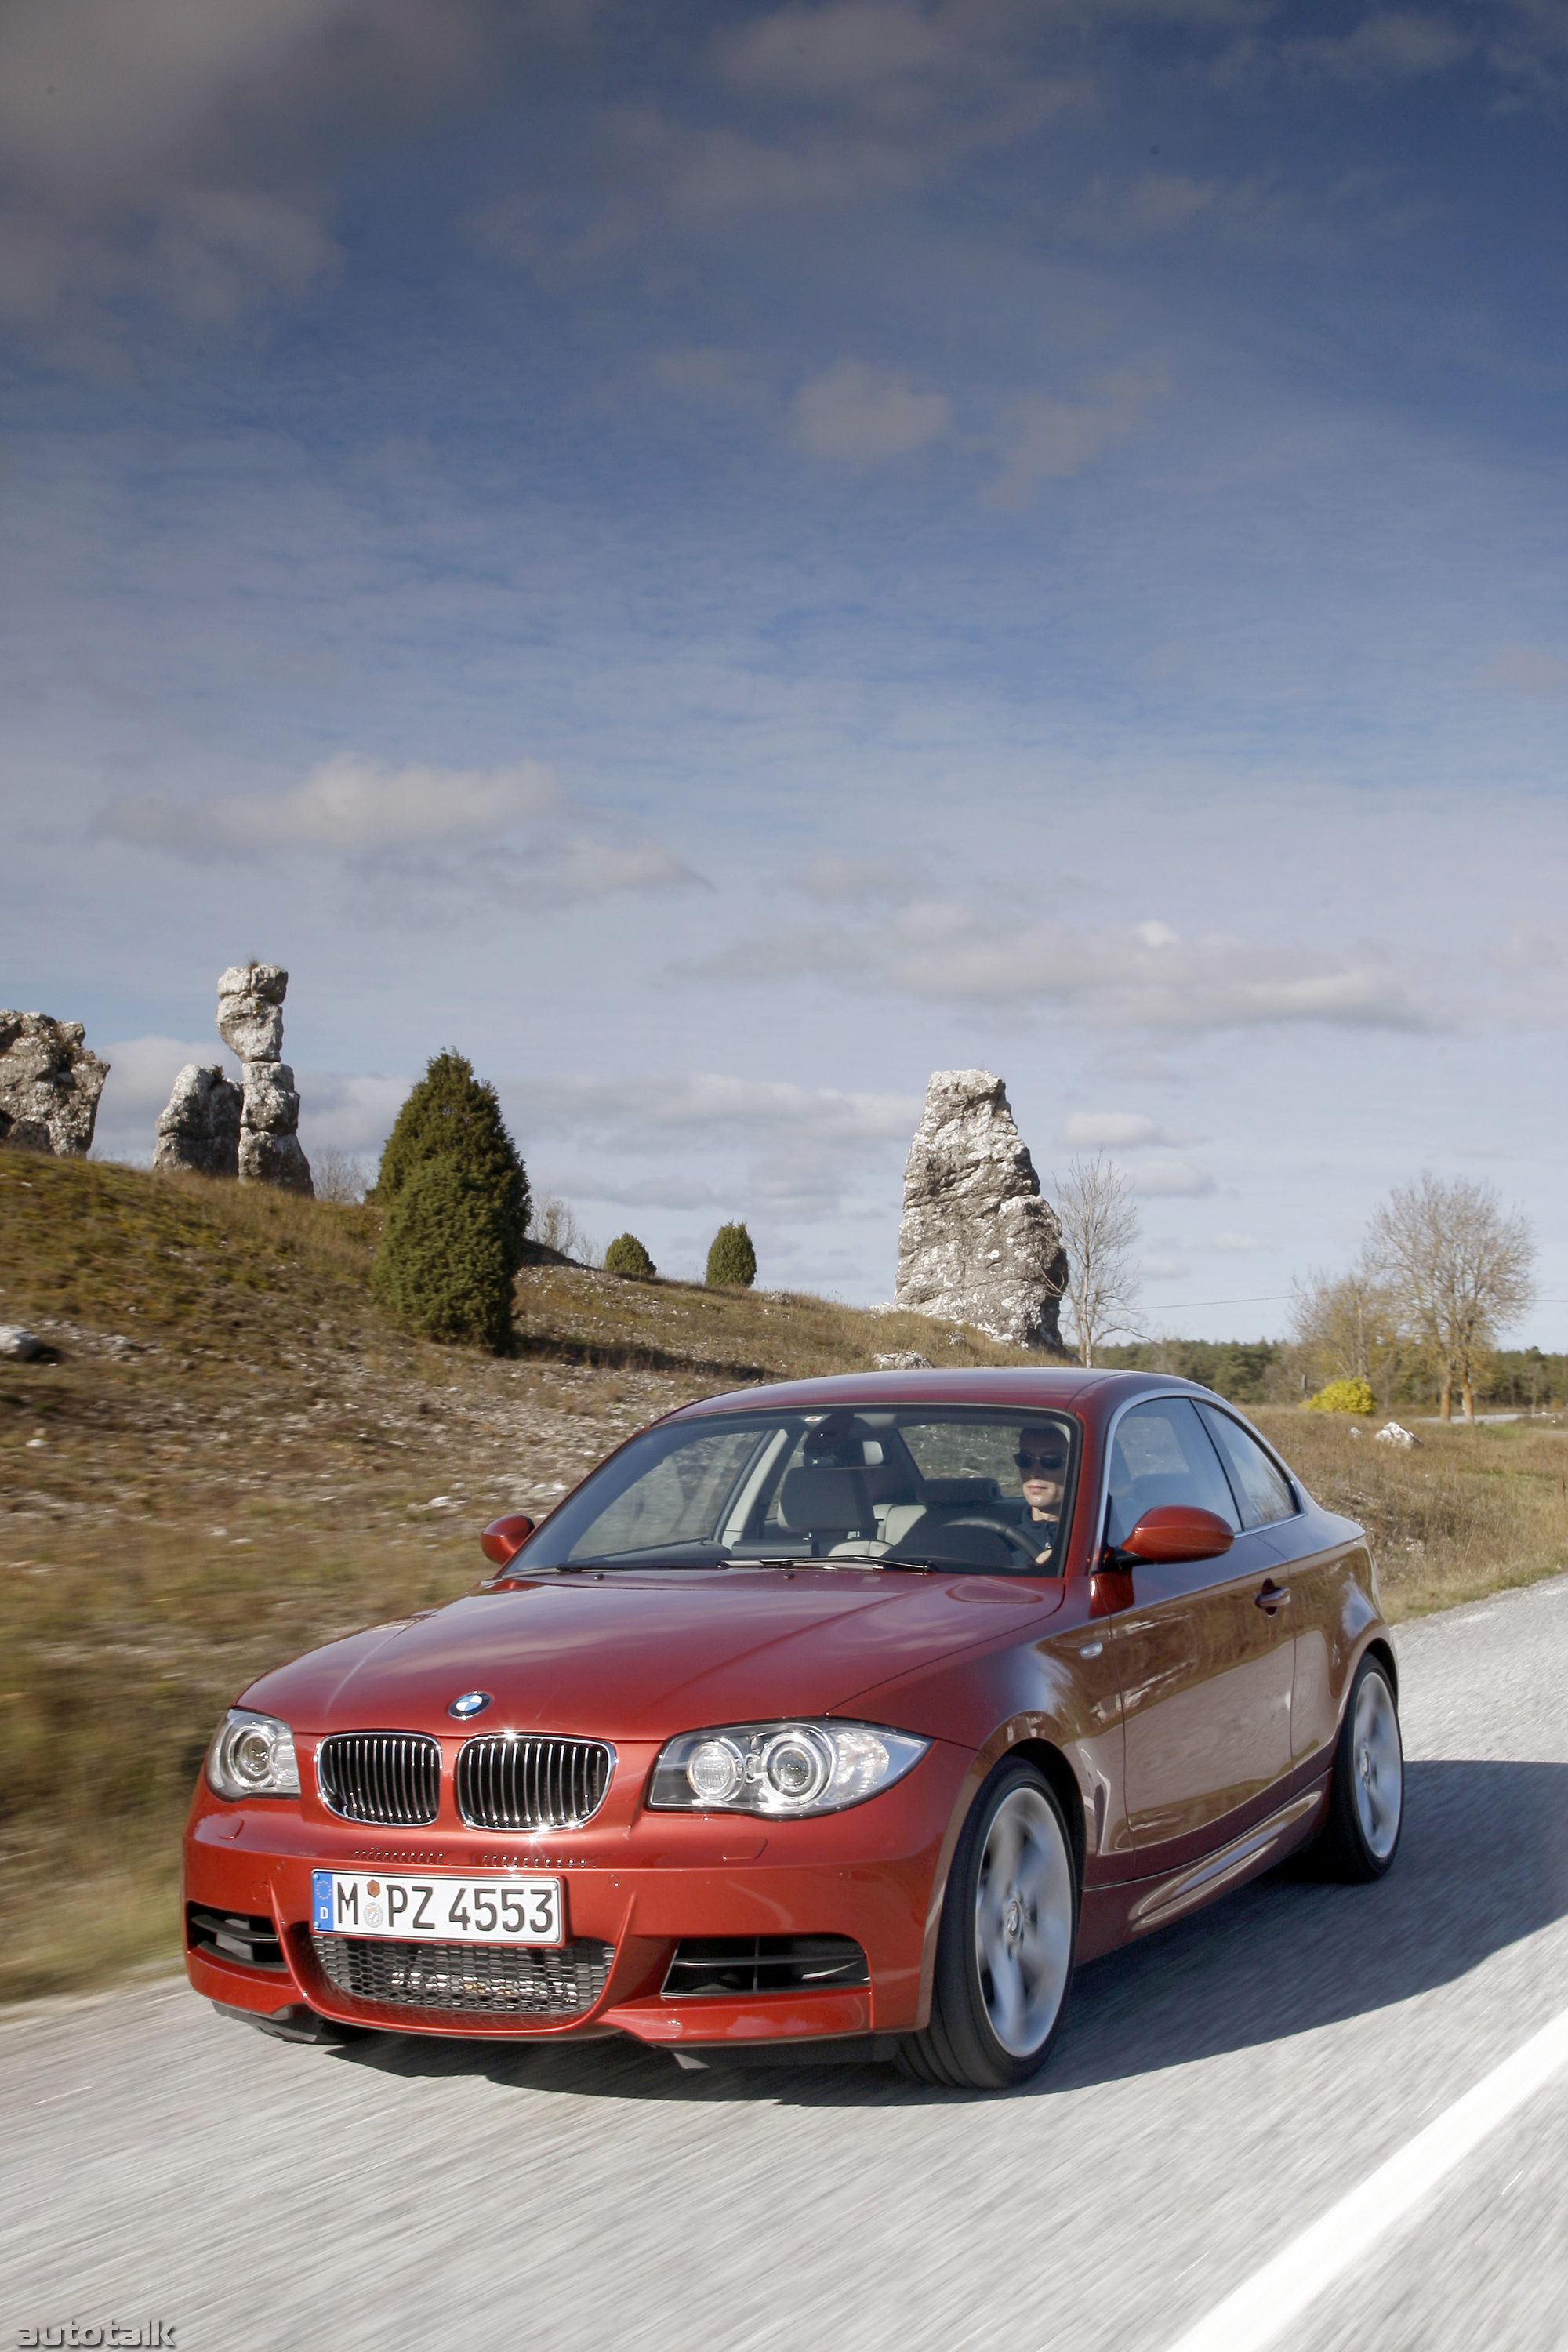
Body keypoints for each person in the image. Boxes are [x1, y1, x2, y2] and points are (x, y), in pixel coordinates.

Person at [1014, 1425, 1069, 1566]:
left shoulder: (1099, 1540)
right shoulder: (998, 1543)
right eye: (1025, 1459)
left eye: (1050, 1460)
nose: (1034, 1473)